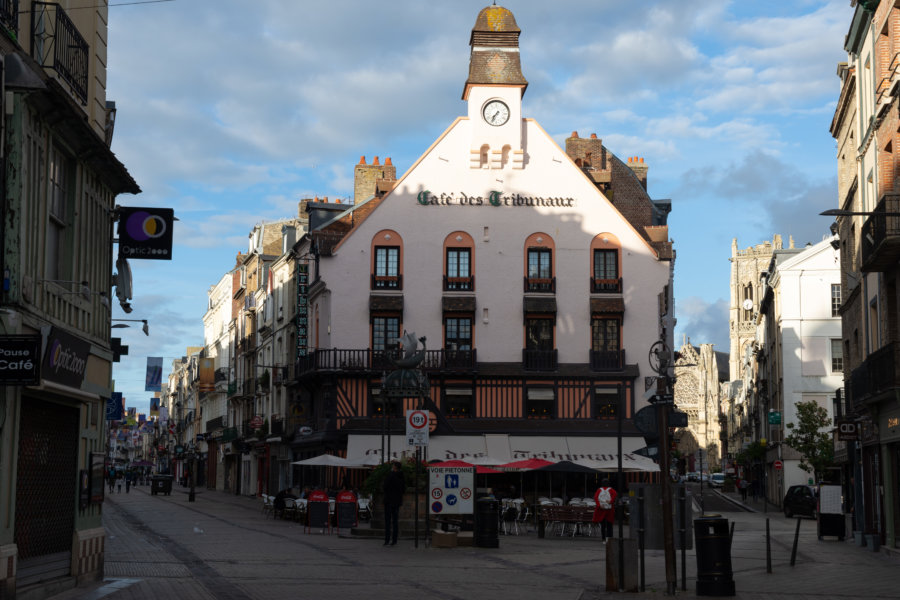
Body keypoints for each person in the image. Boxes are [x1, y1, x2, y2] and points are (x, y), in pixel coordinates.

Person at [383, 461, 405, 546]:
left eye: (393, 465)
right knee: (395, 521)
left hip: (389, 501)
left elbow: (385, 486)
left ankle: (387, 540)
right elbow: (403, 489)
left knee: (388, 521)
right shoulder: (401, 476)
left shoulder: (391, 475)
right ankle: (394, 540)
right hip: (397, 501)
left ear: (395, 467)